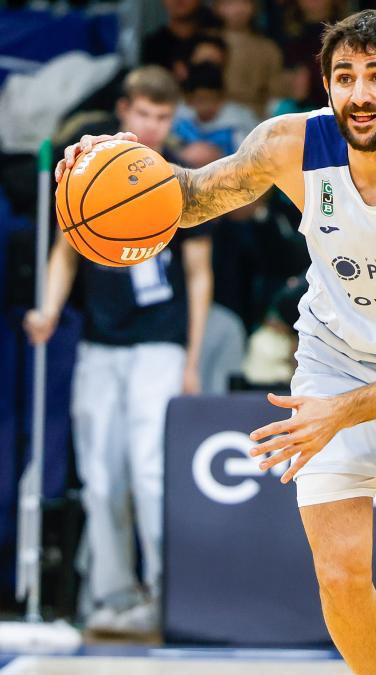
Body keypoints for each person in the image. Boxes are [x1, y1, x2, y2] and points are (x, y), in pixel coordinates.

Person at [56, 11, 376, 674]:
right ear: (326, 83)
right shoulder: (288, 144)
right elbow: (188, 198)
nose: (359, 93)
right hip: (339, 352)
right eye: (345, 76)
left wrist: (341, 412)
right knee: (340, 573)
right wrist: (111, 164)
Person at [25, 65, 212, 636]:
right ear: (124, 110)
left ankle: (167, 594)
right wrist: (48, 310)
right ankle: (112, 596)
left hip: (160, 344)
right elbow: (66, 250)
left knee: (151, 472)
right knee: (101, 475)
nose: (152, 125)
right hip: (100, 344)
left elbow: (199, 274)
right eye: (143, 114)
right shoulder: (91, 170)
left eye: (163, 116)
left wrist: (192, 359)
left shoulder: (182, 177)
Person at [213, 0, 286, 117]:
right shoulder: (207, 43)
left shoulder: (268, 48)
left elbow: (276, 93)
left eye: (245, 2)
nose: (239, 9)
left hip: (256, 116)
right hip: (214, 115)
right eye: (230, 3)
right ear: (217, 8)